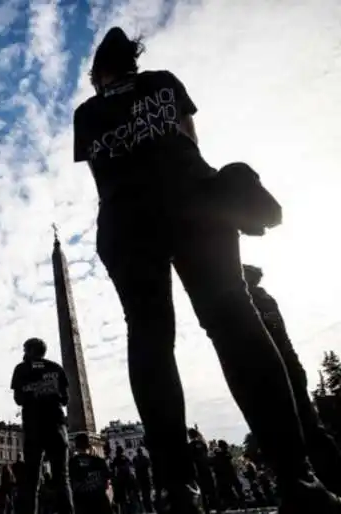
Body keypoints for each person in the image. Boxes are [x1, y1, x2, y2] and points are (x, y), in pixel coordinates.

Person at [72, 25, 341, 513]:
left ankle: (179, 491)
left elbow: (103, 176)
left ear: (97, 74)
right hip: (194, 205)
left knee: (150, 339)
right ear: (133, 60)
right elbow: (190, 144)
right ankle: (297, 477)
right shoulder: (163, 83)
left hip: (126, 223)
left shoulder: (88, 113)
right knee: (235, 323)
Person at [244, 264, 341, 495]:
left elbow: (269, 335)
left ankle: (328, 480)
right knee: (306, 424)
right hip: (285, 365)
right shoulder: (264, 301)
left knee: (301, 425)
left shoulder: (258, 302)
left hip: (280, 367)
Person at [9, 337, 73, 514]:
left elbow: (18, 399)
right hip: (57, 426)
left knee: (31, 480)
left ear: (29, 351)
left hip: (33, 427)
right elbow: (66, 399)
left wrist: (33, 393)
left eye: (25, 350)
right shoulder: (56, 368)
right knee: (62, 478)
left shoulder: (21, 369)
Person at [68, 433, 111, 514]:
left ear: (75, 446)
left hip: (83, 505)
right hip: (101, 503)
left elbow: (70, 485)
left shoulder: (72, 463)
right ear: (88, 444)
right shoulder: (100, 461)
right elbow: (106, 484)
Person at [187, 428, 217, 512]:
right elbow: (206, 454)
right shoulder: (202, 444)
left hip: (198, 470)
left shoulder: (190, 446)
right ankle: (217, 506)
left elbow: (190, 459)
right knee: (211, 489)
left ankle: (206, 508)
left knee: (202, 491)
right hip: (206, 468)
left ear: (189, 436)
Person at [131, 448, 153, 513]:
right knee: (147, 493)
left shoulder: (135, 459)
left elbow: (133, 466)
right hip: (145, 478)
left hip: (140, 479)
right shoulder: (145, 458)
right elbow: (149, 465)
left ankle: (146, 508)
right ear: (141, 452)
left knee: (143, 493)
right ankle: (148, 508)